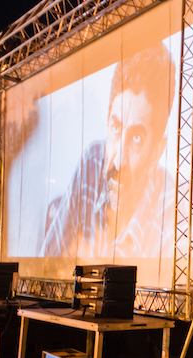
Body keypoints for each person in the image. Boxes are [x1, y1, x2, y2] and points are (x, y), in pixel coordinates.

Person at [41, 43, 176, 258]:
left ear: (157, 152)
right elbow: (47, 261)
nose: (118, 160)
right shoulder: (93, 163)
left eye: (136, 138)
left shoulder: (173, 217)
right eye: (116, 128)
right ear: (107, 124)